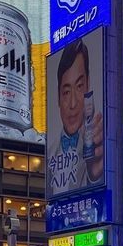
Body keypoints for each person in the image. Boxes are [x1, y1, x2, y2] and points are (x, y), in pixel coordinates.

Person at [47, 37, 104, 197]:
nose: (73, 103)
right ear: (58, 97)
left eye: (79, 87)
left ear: (88, 85)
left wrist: (95, 176)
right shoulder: (50, 154)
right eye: (66, 92)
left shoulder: (100, 139)